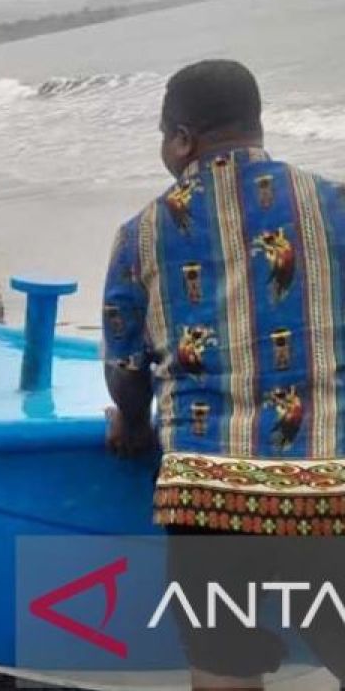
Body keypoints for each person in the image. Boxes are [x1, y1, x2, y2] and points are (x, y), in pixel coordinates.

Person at [102, 60, 345, 687]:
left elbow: (126, 364)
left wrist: (131, 423)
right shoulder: (333, 206)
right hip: (326, 487)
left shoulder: (141, 234)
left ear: (182, 139)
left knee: (221, 667)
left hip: (205, 498)